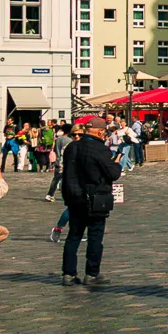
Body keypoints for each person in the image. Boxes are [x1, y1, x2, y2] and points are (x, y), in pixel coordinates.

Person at [56, 118, 121, 286]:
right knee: (95, 236)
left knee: (74, 236)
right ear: (99, 132)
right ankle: (92, 274)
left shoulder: (72, 146)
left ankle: (68, 274)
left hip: (73, 196)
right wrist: (117, 164)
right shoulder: (100, 149)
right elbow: (112, 173)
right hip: (95, 197)